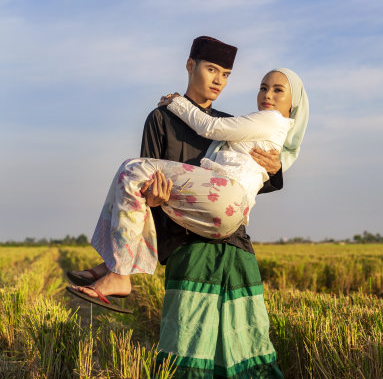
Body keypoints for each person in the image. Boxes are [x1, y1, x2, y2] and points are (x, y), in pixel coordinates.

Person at [67, 67, 308, 305]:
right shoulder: (160, 119)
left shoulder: (252, 120)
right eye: (263, 88)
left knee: (132, 170)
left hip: (226, 212)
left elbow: (210, 128)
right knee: (137, 185)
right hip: (215, 221)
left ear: (293, 102)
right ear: (191, 66)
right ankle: (116, 264)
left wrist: (177, 102)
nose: (267, 95)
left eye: (225, 74)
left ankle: (118, 271)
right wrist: (152, 197)